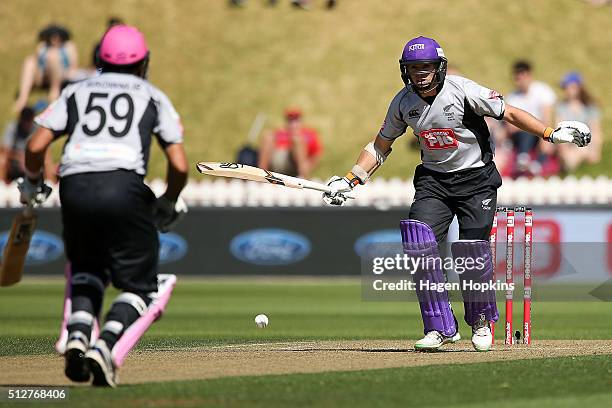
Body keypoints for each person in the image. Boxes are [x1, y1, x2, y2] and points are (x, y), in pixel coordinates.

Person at [323, 36, 590, 352]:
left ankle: (480, 323)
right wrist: (352, 179)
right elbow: (381, 145)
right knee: (418, 241)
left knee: (470, 251)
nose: (420, 74)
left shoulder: (463, 90)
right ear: (404, 71)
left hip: (477, 181)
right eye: (413, 68)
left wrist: (549, 133)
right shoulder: (403, 102)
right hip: (434, 182)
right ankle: (439, 327)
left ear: (439, 67)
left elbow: (510, 113)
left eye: (426, 67)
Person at [20, 25, 188, 387]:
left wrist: (34, 184)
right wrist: (169, 201)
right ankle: (105, 344)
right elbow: (178, 165)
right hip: (123, 186)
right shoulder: (153, 96)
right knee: (141, 287)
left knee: (87, 271)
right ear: (144, 63)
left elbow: (34, 147)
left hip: (75, 186)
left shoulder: (76, 92)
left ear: (98, 60)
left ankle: (78, 336)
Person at [505, 60, 558, 177]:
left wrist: (545, 137)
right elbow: (510, 127)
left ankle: (534, 164)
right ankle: (524, 159)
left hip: (539, 132)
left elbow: (547, 118)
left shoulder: (543, 91)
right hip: (521, 136)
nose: (520, 80)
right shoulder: (512, 97)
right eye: (517, 77)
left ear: (530, 75)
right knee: (527, 129)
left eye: (522, 75)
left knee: (544, 135)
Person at [13, 25, 78, 113]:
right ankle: (23, 98)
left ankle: (54, 93)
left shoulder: (68, 47)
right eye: (52, 37)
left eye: (57, 37)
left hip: (61, 75)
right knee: (29, 61)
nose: (55, 40)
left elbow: (73, 67)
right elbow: (38, 62)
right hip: (43, 75)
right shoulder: (42, 46)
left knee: (53, 56)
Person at [556, 72, 602, 171]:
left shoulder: (589, 107)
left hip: (585, 143)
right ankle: (568, 163)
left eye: (570, 87)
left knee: (581, 148)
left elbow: (595, 130)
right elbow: (559, 129)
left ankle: (568, 165)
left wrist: (596, 150)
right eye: (566, 88)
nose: (567, 91)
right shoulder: (561, 107)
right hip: (568, 143)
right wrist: (564, 149)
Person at [0, 102, 56, 183]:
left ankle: (51, 186)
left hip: (34, 162)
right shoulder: (12, 127)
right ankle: (1, 188)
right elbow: (4, 149)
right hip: (14, 163)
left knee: (47, 158)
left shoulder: (38, 129)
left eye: (28, 120)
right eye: (24, 120)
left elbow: (46, 149)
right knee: (2, 159)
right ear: (20, 118)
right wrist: (20, 157)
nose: (26, 123)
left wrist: (29, 158)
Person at [258, 108, 322, 178]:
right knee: (268, 137)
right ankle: (262, 175)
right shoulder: (280, 133)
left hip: (295, 165)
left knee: (297, 141)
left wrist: (307, 166)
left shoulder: (309, 135)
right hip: (278, 161)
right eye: (290, 121)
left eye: (296, 120)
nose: (293, 124)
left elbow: (316, 154)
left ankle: (304, 177)